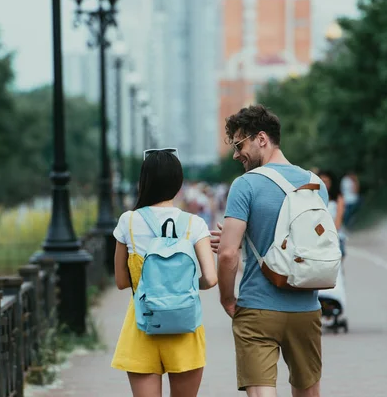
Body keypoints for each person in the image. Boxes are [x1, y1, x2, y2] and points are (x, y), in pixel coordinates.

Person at [212, 105, 328, 397]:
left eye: (239, 145)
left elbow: (227, 255)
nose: (236, 154)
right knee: (309, 391)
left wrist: (227, 298)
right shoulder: (315, 185)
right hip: (306, 306)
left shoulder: (245, 185)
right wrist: (236, 241)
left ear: (261, 138)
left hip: (257, 307)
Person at [111, 149, 218, 397]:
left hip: (142, 324)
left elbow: (120, 281)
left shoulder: (127, 221)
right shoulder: (195, 224)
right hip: (184, 325)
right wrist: (188, 284)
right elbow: (211, 278)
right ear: (178, 182)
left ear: (144, 181)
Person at [318, 170, 347, 259]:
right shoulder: (315, 198)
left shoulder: (338, 198)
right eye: (321, 181)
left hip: (335, 237)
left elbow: (338, 219)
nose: (324, 184)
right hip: (318, 237)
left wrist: (329, 236)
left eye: (326, 182)